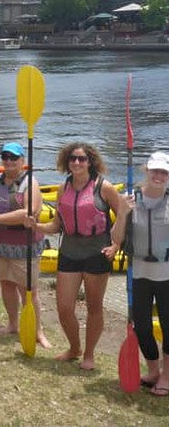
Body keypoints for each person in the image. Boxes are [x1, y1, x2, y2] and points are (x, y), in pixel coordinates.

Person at [27, 142, 126, 370]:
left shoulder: (104, 187)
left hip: (97, 253)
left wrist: (116, 245)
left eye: (82, 159)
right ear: (67, 161)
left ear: (91, 161)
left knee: (94, 307)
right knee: (64, 307)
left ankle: (89, 354)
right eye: (73, 158)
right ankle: (74, 348)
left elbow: (123, 216)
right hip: (70, 252)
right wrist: (36, 227)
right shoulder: (64, 189)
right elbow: (56, 225)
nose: (77, 162)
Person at [0, 142, 51, 347]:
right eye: (6, 157)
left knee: (28, 290)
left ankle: (38, 331)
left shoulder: (30, 183)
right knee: (6, 284)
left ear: (22, 161)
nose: (9, 162)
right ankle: (13, 324)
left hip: (23, 247)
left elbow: (28, 213)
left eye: (14, 158)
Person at [120, 152, 169, 396]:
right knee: (141, 327)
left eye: (164, 172)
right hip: (139, 274)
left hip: (167, 275)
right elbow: (116, 237)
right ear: (146, 171)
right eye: (155, 171)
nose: (159, 176)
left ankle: (167, 376)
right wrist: (122, 212)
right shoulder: (131, 199)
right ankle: (153, 370)